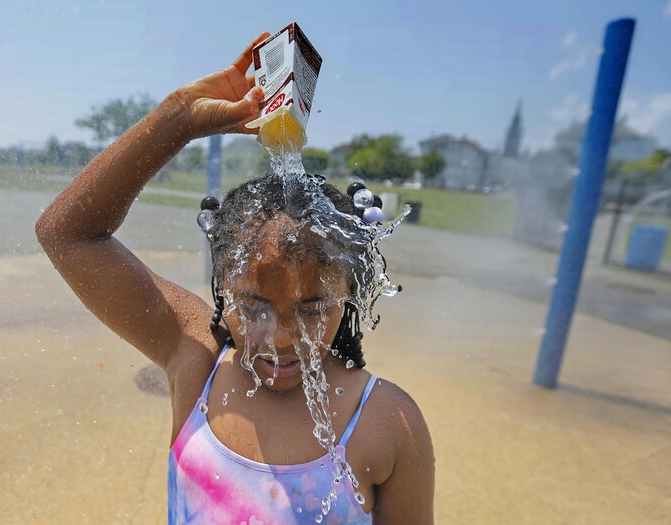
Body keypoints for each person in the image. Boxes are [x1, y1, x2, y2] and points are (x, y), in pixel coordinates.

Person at [36, 33, 434, 525]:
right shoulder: (197, 361)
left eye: (313, 307)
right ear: (221, 285)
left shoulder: (387, 424)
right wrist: (180, 116)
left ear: (349, 294)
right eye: (252, 305)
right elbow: (67, 234)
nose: (282, 338)